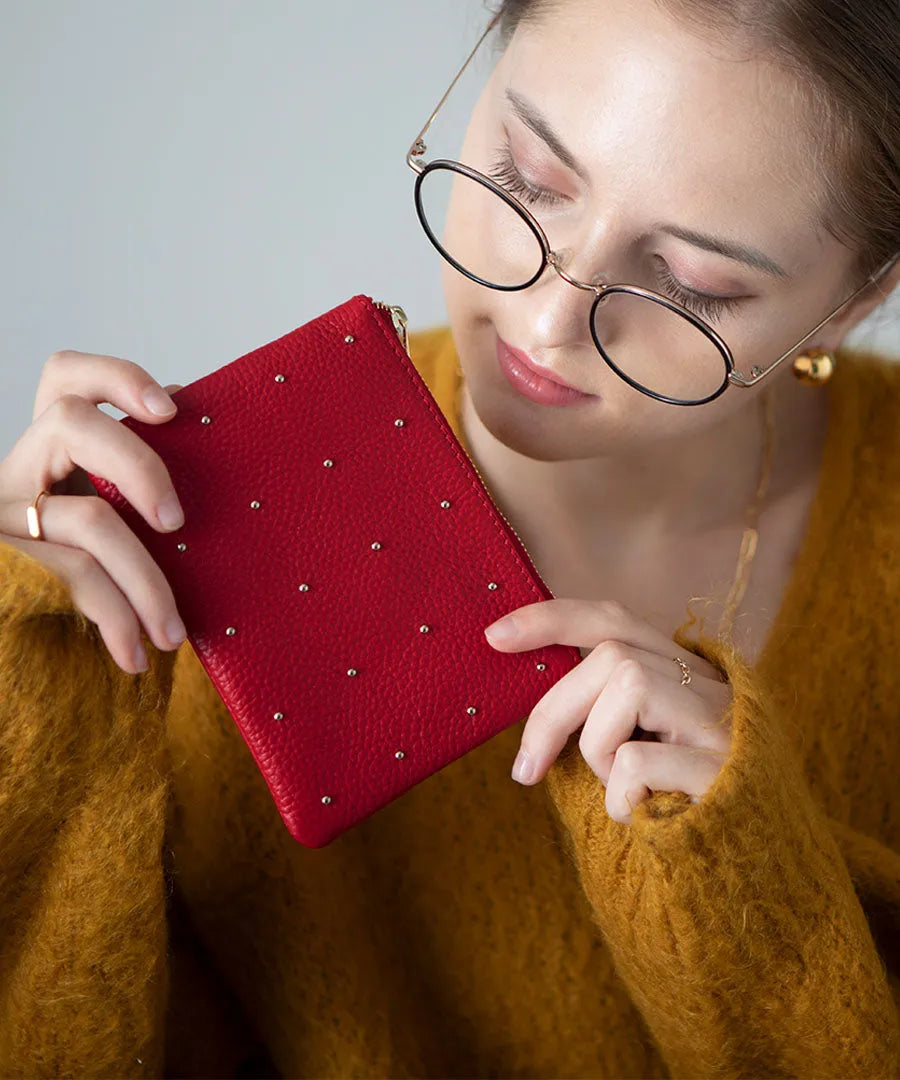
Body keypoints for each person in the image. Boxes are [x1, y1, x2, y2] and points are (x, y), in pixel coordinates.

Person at [0, 0, 899, 1076]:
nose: (549, 320)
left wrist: (758, 885)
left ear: (852, 302)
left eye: (690, 283)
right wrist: (32, 676)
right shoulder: (187, 511)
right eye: (528, 178)